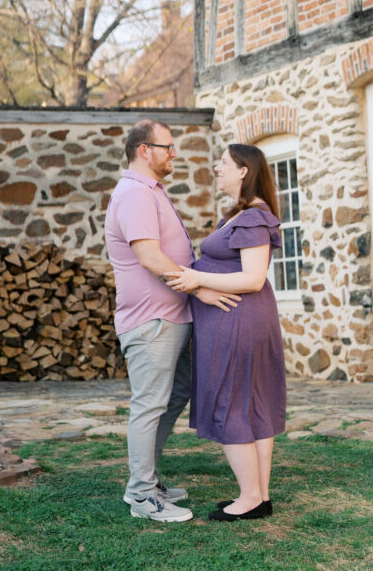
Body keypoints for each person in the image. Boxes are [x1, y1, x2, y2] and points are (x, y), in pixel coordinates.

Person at [105, 119, 240, 524]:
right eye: (167, 147)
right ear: (144, 150)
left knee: (173, 397)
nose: (174, 153)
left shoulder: (150, 192)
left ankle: (147, 478)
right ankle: (142, 495)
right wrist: (200, 289)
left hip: (171, 318)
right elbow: (149, 257)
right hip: (152, 323)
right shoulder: (134, 194)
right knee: (149, 405)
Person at [166, 143, 286, 522]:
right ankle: (260, 496)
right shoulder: (242, 215)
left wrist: (195, 278)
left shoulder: (253, 217)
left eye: (224, 163)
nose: (216, 168)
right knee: (251, 404)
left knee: (233, 403)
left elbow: (253, 278)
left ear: (244, 172)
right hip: (243, 319)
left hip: (240, 321)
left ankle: (250, 497)